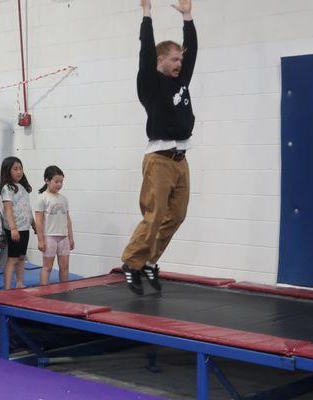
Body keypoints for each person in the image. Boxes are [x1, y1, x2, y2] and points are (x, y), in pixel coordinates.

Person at [121, 0, 197, 295]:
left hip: (181, 160)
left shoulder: (182, 81)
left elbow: (193, 50)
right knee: (154, 216)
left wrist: (188, 17)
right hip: (159, 160)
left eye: (181, 59)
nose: (180, 64)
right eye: (174, 59)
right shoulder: (150, 83)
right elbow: (145, 50)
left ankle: (150, 261)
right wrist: (146, 14)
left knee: (176, 215)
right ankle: (131, 262)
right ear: (160, 60)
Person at [0, 157, 36, 290]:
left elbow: (27, 208)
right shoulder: (7, 188)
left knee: (21, 257)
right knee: (12, 258)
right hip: (14, 228)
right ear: (7, 171)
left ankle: (20, 283)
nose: (19, 172)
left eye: (20, 168)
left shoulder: (23, 187)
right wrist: (13, 228)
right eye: (15, 169)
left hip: (24, 227)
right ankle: (7, 287)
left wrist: (33, 224)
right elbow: (8, 209)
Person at [35, 166, 74, 285]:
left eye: (61, 181)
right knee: (47, 267)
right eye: (56, 181)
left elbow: (68, 220)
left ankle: (64, 289)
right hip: (50, 237)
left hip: (63, 237)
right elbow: (39, 221)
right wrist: (41, 240)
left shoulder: (63, 199)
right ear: (47, 180)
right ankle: (43, 291)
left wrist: (71, 237)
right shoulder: (42, 198)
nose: (59, 184)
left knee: (65, 266)